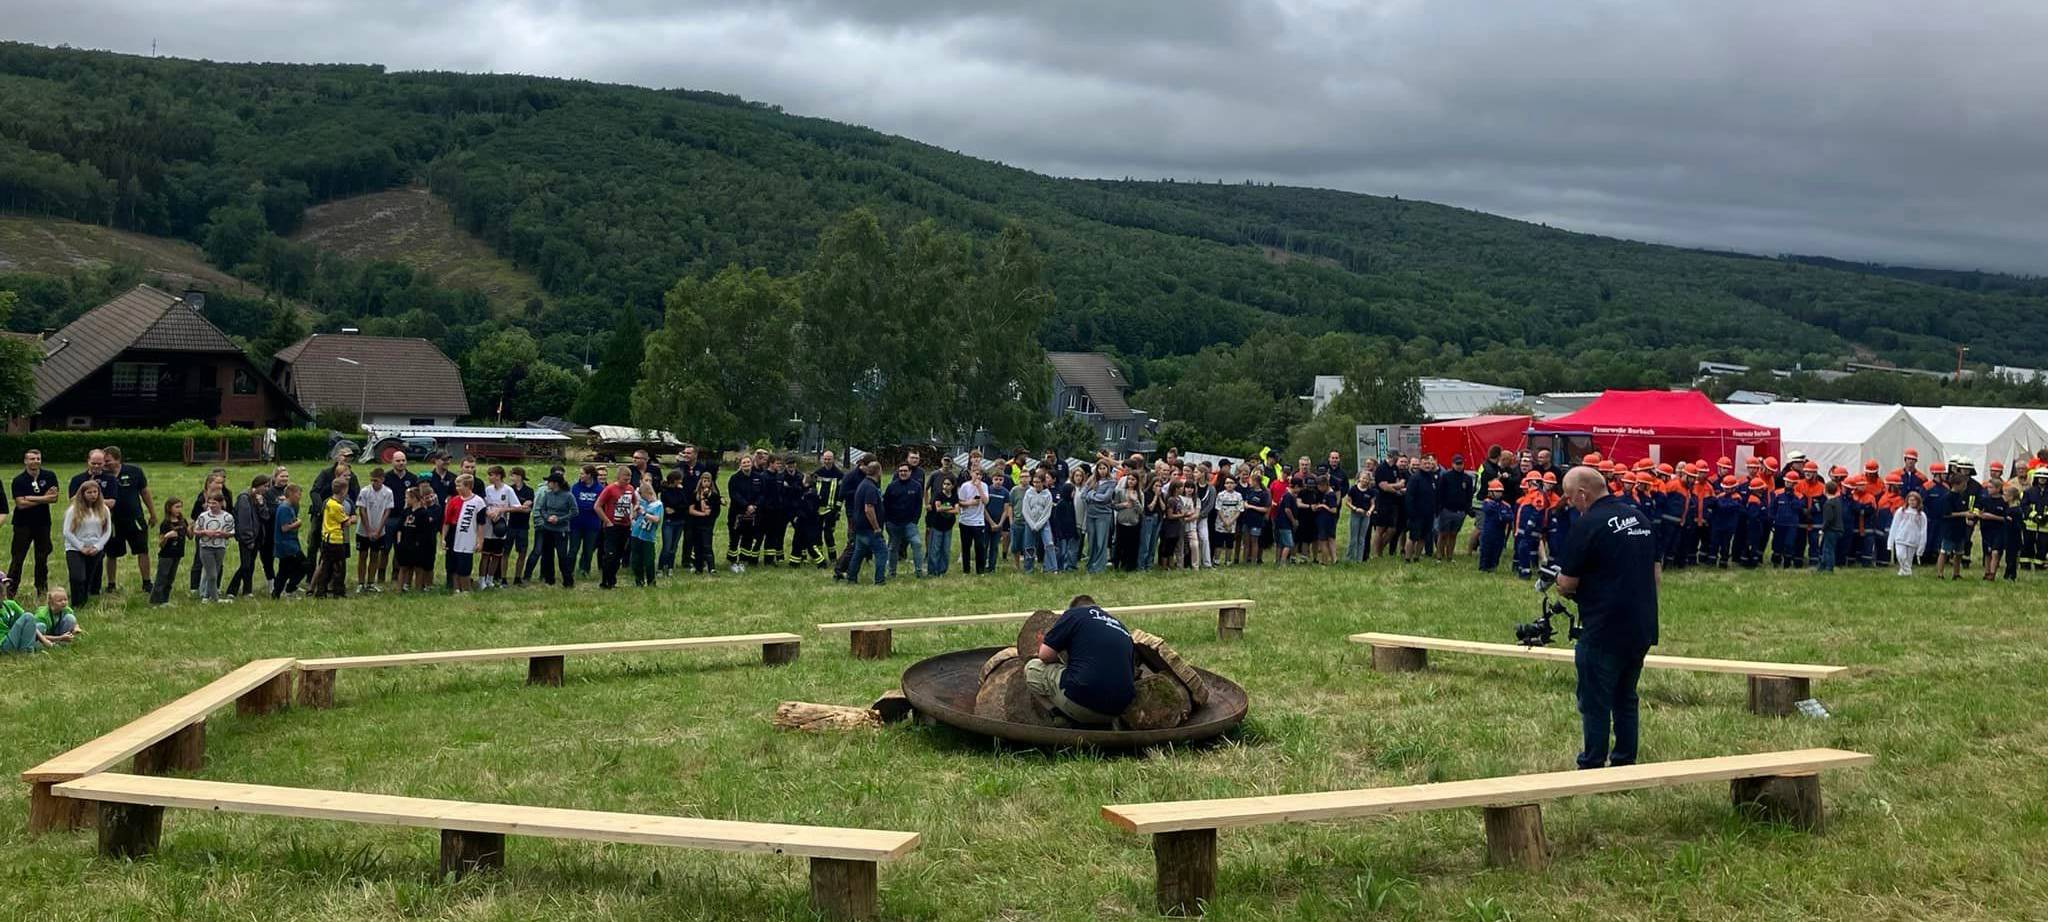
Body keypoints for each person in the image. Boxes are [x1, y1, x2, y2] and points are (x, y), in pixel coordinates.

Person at [1554, 466, 1660, 770]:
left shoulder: (1588, 525)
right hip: (1640, 623)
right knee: (1625, 697)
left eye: (1571, 497)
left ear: (1583, 494)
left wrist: (1560, 582)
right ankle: (1625, 761)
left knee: (1595, 700)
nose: (1571, 504)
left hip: (1603, 627)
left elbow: (1567, 583)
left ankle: (1592, 763)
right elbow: (1655, 573)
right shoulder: (1639, 517)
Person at [1026, 595, 1136, 728]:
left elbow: (1045, 655)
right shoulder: (1121, 627)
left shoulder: (1074, 614)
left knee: (1032, 668)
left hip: (1080, 701)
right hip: (1117, 710)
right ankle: (1104, 724)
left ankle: (1059, 716)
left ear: (1073, 608)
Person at [103, 446, 156, 595]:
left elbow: (144, 492)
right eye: (104, 461)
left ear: (118, 459)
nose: (105, 464)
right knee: (111, 553)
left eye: (108, 461)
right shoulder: (102, 475)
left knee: (142, 550)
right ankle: (111, 584)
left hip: (134, 519)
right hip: (112, 521)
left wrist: (152, 513)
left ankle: (146, 582)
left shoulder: (134, 471)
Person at [10, 449, 60, 599]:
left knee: (42, 557)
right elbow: (20, 504)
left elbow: (54, 498)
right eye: (32, 459)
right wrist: (43, 498)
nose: (35, 461)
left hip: (43, 523)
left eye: (38, 458)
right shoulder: (19, 480)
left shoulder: (49, 476)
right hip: (22, 524)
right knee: (18, 558)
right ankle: (11, 591)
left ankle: (41, 590)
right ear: (25, 461)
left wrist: (31, 498)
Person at [62, 479, 113, 607]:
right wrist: (80, 547)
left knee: (88, 578)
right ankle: (75, 603)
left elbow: (107, 531)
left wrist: (98, 546)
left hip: (95, 548)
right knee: (78, 577)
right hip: (75, 548)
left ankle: (83, 602)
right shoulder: (73, 510)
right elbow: (67, 531)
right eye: (89, 492)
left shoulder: (104, 509)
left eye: (95, 492)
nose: (93, 495)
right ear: (83, 494)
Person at [310, 471, 357, 598]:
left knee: (325, 566)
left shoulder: (327, 502)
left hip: (326, 538)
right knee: (338, 567)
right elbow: (346, 522)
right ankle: (338, 592)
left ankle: (321, 591)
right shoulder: (337, 506)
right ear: (343, 490)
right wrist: (353, 519)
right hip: (335, 540)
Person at [843, 459, 888, 585]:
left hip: (859, 527)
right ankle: (880, 580)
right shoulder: (870, 488)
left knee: (858, 553)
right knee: (882, 552)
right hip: (869, 528)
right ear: (878, 472)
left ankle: (851, 578)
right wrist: (876, 527)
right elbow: (869, 509)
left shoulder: (863, 484)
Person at [531, 472, 576, 587]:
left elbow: (574, 511)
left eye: (549, 482)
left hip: (561, 530)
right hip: (548, 528)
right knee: (547, 555)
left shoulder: (568, 496)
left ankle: (568, 580)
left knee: (562, 556)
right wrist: (547, 517)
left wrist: (560, 519)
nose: (547, 484)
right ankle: (549, 579)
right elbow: (542, 509)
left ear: (555, 483)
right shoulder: (547, 495)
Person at [441, 474, 484, 593]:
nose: (457, 488)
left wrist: (480, 541)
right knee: (453, 564)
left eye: (459, 485)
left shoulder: (478, 502)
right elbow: (446, 522)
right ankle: (456, 588)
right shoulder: (454, 501)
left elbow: (481, 523)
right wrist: (443, 538)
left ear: (468, 486)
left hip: (468, 536)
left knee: (464, 565)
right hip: (453, 535)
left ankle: (466, 588)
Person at [882, 463, 926, 579]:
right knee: (893, 548)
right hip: (894, 524)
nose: (903, 473)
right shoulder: (892, 486)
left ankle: (919, 571)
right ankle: (892, 572)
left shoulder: (916, 486)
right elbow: (885, 504)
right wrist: (887, 521)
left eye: (905, 471)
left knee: (917, 544)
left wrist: (915, 520)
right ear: (898, 472)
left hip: (910, 524)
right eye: (901, 471)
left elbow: (918, 505)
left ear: (910, 472)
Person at [595, 466, 636, 589]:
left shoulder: (630, 489)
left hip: (625, 526)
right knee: (610, 555)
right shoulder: (610, 489)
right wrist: (607, 521)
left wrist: (632, 514)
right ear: (618, 477)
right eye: (625, 478)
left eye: (629, 478)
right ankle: (605, 581)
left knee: (619, 555)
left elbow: (634, 502)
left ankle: (612, 580)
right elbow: (597, 506)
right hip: (612, 526)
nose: (627, 481)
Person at [3, 586, 77, 653]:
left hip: (53, 636)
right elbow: (35, 631)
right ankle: (30, 649)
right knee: (39, 625)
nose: (63, 602)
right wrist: (59, 638)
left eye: (65, 599)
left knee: (71, 618)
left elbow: (75, 623)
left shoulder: (66, 609)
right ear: (51, 602)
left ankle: (62, 643)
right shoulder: (42, 615)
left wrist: (76, 628)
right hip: (40, 638)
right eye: (60, 600)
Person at [193, 493, 234, 602]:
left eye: (214, 503)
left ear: (221, 503)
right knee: (212, 574)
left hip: (220, 547)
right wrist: (205, 532)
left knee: (215, 571)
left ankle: (206, 596)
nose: (211, 505)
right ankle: (214, 598)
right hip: (206, 547)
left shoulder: (228, 517)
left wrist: (222, 534)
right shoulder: (203, 516)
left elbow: (231, 533)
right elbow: (195, 531)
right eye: (209, 503)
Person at [1435, 455, 1474, 562]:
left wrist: (1467, 509)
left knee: (1453, 534)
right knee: (1443, 534)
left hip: (1460, 511)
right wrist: (1440, 508)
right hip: (1446, 510)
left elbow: (1469, 495)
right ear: (1452, 464)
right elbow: (1440, 493)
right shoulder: (1446, 476)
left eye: (1460, 464)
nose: (1459, 466)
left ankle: (1450, 556)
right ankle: (1439, 556)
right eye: (1457, 464)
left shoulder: (1467, 478)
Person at [150, 498, 188, 606]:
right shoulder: (165, 524)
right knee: (162, 578)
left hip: (178, 553)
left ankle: (165, 600)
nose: (179, 509)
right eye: (176, 507)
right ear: (169, 508)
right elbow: (161, 543)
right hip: (167, 555)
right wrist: (167, 536)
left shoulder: (182, 521)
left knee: (170, 579)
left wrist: (192, 527)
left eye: (180, 507)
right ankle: (155, 601)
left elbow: (189, 535)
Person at [272, 484, 308, 598]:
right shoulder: (285, 508)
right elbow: (284, 528)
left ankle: (277, 593)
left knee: (284, 570)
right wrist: (297, 523)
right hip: (287, 545)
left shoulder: (290, 506)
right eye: (298, 494)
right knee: (304, 566)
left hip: (289, 543)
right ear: (291, 494)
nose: (300, 497)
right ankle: (290, 588)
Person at [683, 473, 721, 576]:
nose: (706, 483)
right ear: (700, 481)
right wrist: (702, 514)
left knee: (707, 545)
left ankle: (711, 567)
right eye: (704, 480)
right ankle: (698, 567)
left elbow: (716, 509)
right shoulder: (695, 494)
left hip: (707, 524)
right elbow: (691, 510)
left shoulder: (714, 495)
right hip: (696, 523)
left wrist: (710, 514)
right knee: (697, 546)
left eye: (708, 480)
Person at [570, 464, 604, 577]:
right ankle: (569, 570)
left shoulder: (599, 489)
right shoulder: (575, 487)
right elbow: (574, 504)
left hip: (592, 524)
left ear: (589, 475)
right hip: (576, 523)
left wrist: (590, 507)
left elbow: (600, 505)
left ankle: (584, 570)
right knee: (573, 548)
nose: (580, 475)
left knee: (588, 549)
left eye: (582, 473)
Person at [957, 465, 990, 575]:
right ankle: (966, 570)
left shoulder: (984, 486)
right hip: (965, 520)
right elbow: (960, 502)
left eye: (980, 475)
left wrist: (979, 488)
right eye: (976, 474)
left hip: (978, 521)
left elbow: (986, 501)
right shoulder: (965, 486)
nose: (978, 476)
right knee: (966, 546)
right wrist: (969, 503)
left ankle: (980, 571)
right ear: (971, 474)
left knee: (980, 546)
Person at [630, 479, 662, 587]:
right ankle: (639, 581)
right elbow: (634, 516)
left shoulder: (658, 505)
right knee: (636, 560)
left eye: (644, 496)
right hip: (636, 533)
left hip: (648, 537)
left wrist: (644, 513)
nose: (643, 498)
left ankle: (651, 581)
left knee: (649, 560)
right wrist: (636, 509)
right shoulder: (642, 502)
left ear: (649, 493)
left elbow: (657, 519)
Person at [658, 470, 689, 575]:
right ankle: (661, 567)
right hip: (669, 522)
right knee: (667, 546)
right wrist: (676, 507)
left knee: (674, 547)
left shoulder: (681, 491)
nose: (681, 481)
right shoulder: (665, 492)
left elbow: (685, 505)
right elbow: (668, 505)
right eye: (679, 479)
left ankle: (670, 566)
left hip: (679, 521)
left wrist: (675, 509)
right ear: (674, 480)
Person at [1889, 491, 1927, 576]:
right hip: (1900, 538)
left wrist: (1921, 546)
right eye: (1910, 500)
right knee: (1900, 556)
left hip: (1913, 540)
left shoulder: (1921, 515)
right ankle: (1908, 572)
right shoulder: (1901, 511)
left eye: (1914, 500)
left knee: (1908, 560)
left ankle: (1904, 572)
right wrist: (1890, 541)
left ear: (1918, 501)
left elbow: (1923, 531)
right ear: (1907, 501)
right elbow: (1895, 525)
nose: (1912, 502)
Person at [926, 475, 957, 577]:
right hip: (937, 525)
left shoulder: (954, 496)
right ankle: (932, 571)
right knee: (935, 549)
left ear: (952, 486)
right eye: (944, 484)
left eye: (948, 484)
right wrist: (950, 507)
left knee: (945, 549)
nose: (945, 486)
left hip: (948, 526)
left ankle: (942, 571)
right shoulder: (938, 495)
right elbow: (938, 508)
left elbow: (957, 510)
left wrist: (946, 508)